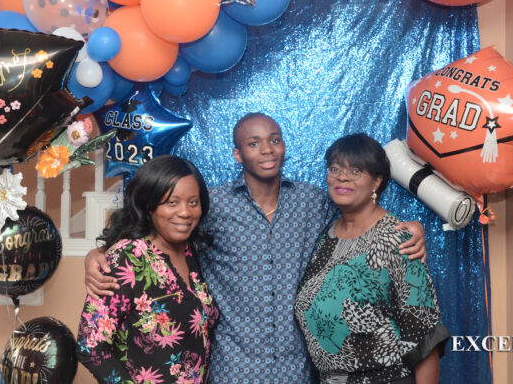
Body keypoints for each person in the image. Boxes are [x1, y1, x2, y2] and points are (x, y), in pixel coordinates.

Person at [85, 113, 427, 383]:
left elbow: (358, 213)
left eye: (274, 140)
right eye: (253, 143)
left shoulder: (313, 201)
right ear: (237, 153)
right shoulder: (209, 205)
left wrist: (408, 228)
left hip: (297, 371)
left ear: (283, 147)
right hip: (234, 370)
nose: (267, 149)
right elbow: (155, 234)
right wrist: (97, 255)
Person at [294, 134, 449, 384]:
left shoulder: (398, 239)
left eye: (355, 170)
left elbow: (425, 336)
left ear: (376, 181)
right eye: (335, 168)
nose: (342, 177)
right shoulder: (327, 236)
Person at [77, 155, 219, 384]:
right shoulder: (126, 258)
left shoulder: (192, 251)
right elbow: (90, 346)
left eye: (193, 202)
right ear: (149, 206)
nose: (185, 212)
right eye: (172, 202)